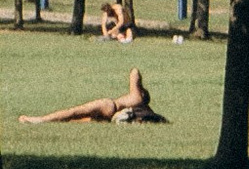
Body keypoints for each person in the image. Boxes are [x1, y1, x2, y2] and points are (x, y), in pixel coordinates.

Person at [20, 66, 165, 127]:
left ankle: (41, 120)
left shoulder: (136, 95)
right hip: (110, 117)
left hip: (109, 105)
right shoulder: (145, 109)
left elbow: (135, 72)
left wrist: (138, 83)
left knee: (74, 112)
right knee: (80, 120)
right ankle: (49, 122)